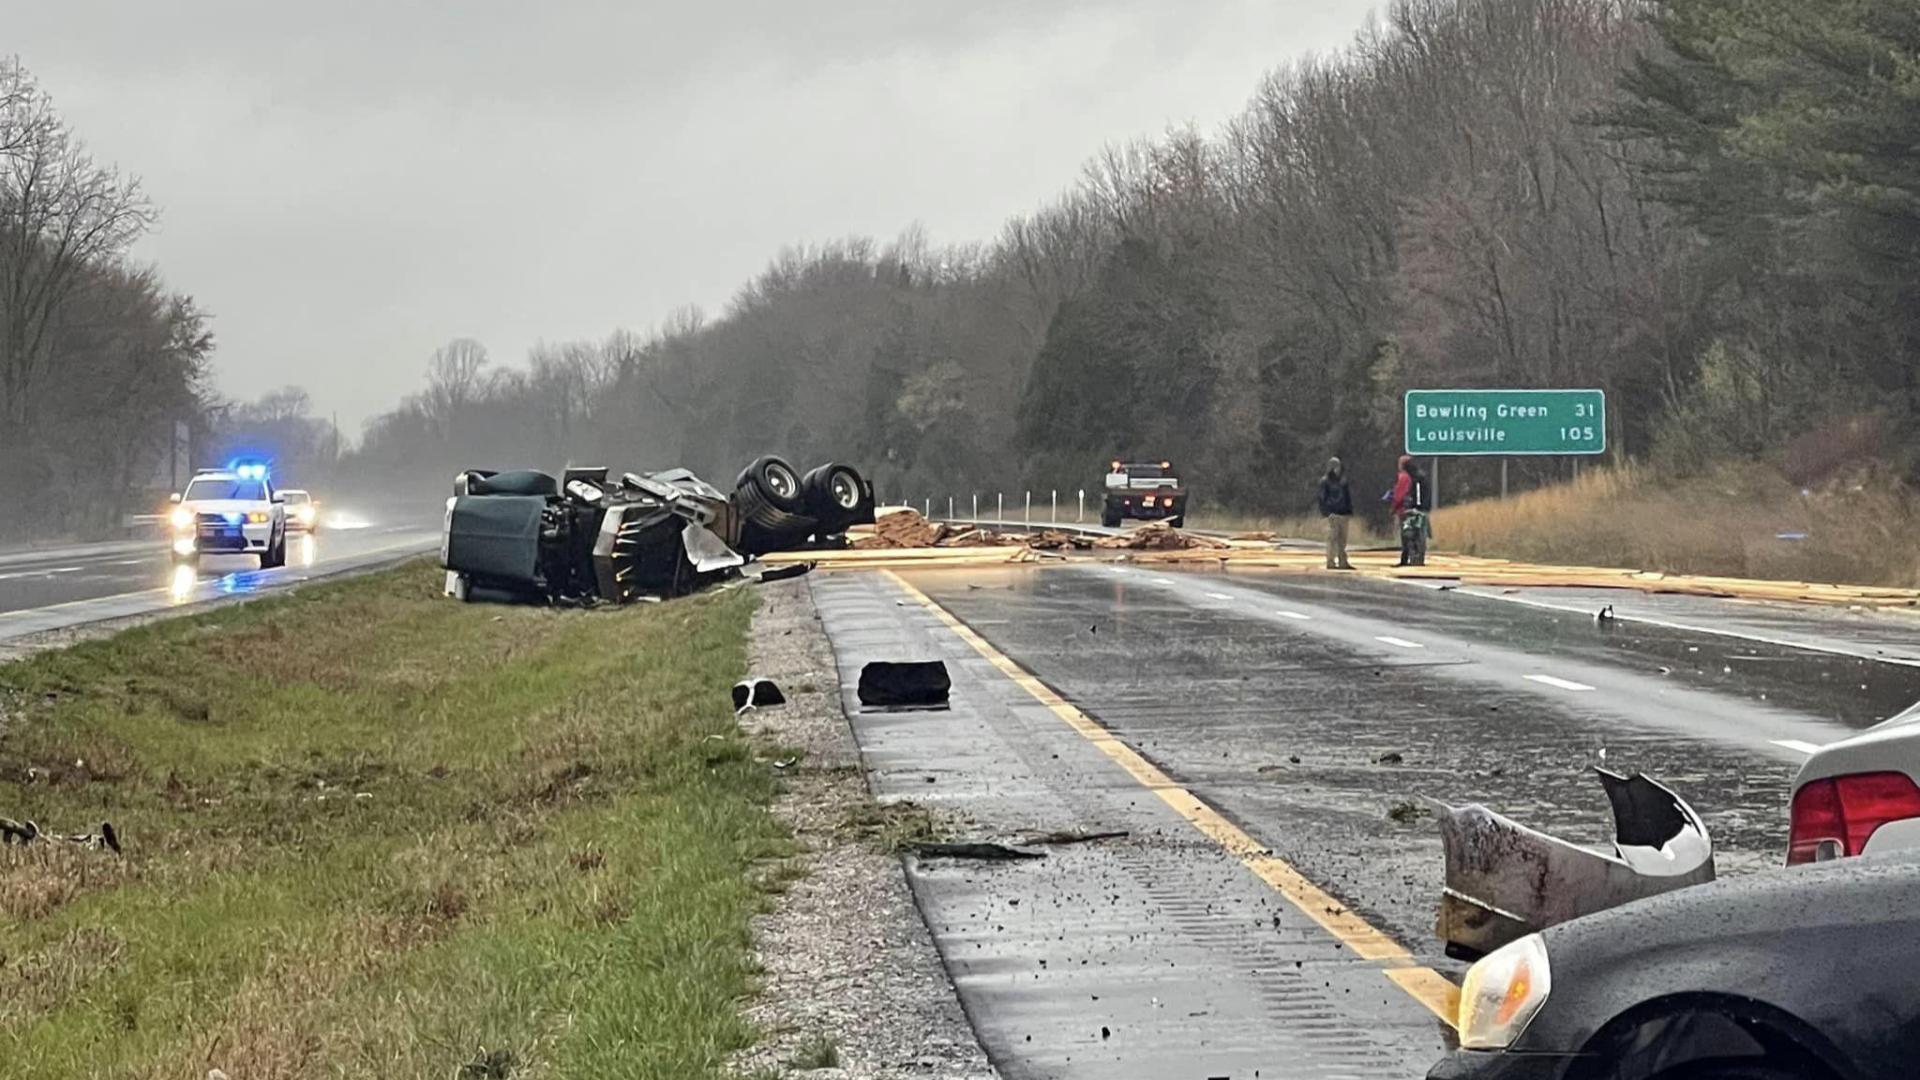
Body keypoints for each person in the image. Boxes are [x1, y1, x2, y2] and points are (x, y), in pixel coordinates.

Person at [1389, 454, 1430, 567]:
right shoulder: (1422, 476)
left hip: (1407, 510)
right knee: (1420, 535)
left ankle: (1406, 559)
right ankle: (1418, 558)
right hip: (1422, 509)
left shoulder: (1405, 477)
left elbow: (1399, 495)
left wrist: (1393, 508)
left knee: (1407, 535)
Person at [1316, 457, 1354, 570]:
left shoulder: (1343, 481)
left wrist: (1349, 510)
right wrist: (1326, 512)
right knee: (1332, 539)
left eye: (1338, 466)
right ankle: (1330, 561)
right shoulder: (1325, 481)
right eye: (1335, 466)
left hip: (1343, 514)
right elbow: (1322, 498)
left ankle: (1343, 561)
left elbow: (1348, 497)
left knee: (1343, 540)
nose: (1337, 469)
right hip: (1332, 514)